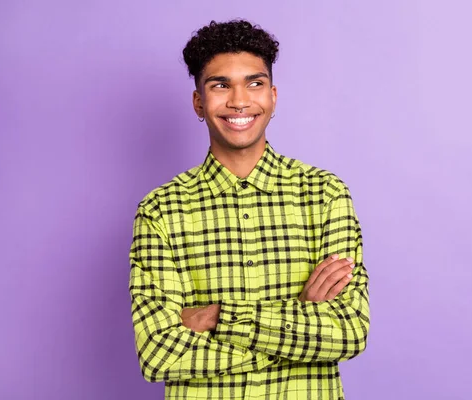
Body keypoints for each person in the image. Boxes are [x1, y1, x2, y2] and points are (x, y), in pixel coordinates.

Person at [129, 19, 370, 400]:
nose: (239, 101)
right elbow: (158, 353)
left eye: (254, 83)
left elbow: (348, 331)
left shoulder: (325, 194)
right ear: (198, 103)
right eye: (220, 85)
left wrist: (218, 317)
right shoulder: (161, 210)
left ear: (272, 96)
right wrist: (297, 320)